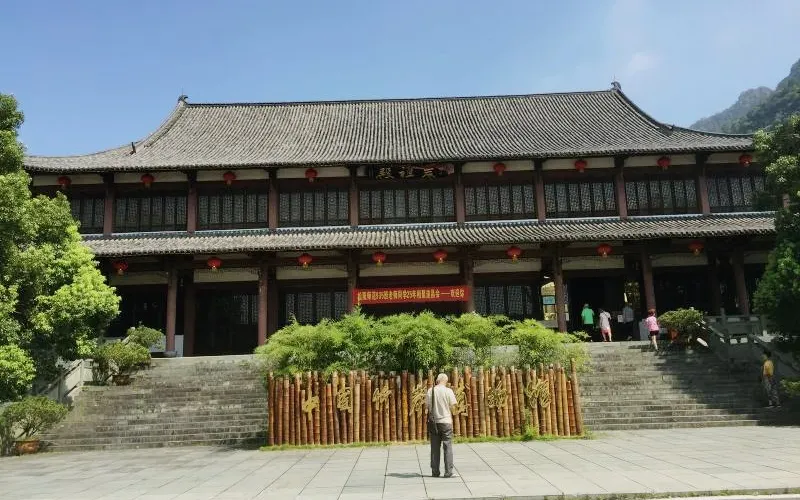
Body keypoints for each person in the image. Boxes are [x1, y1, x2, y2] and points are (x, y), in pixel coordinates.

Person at [426, 373, 458, 478]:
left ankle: (435, 472)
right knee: (447, 447)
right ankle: (448, 472)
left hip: (434, 422)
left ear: (437, 380)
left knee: (435, 448)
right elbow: (453, 406)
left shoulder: (430, 391)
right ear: (445, 380)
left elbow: (427, 406)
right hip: (446, 421)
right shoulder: (448, 391)